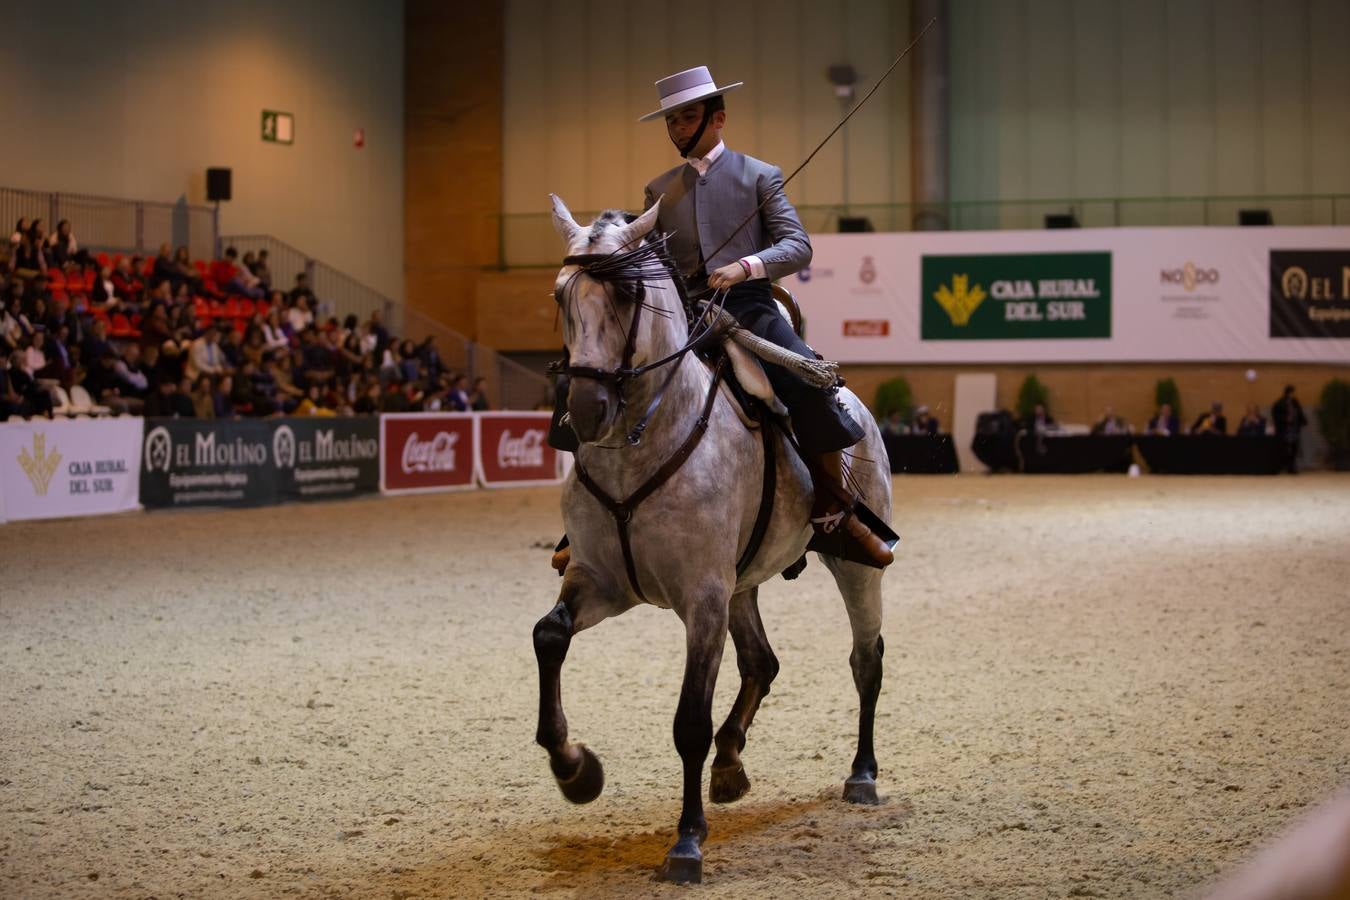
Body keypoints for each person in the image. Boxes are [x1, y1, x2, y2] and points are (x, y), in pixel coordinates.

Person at [636, 65, 890, 567]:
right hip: (683, 315)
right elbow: (650, 258)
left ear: (718, 118)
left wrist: (747, 265)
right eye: (672, 121)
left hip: (749, 308)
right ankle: (584, 526)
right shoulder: (658, 190)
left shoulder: (759, 175)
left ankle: (833, 508)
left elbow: (798, 246)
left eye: (687, 117)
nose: (678, 128)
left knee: (807, 381)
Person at [1271, 385, 1307, 473]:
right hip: (1284, 429)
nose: (1293, 394)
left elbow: (1300, 412)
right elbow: (1275, 415)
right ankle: (1284, 466)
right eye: (1292, 392)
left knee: (1294, 447)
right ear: (1288, 392)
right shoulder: (1280, 403)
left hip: (1294, 429)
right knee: (1284, 448)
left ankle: (1292, 466)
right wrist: (1284, 419)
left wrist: (1303, 421)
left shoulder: (1295, 402)